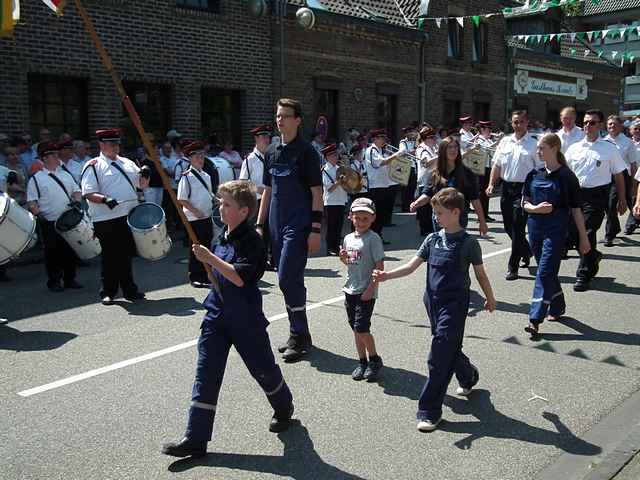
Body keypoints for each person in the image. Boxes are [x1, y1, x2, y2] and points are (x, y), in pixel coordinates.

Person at [161, 180, 294, 458]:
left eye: (226, 204)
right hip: (216, 314)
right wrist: (208, 264)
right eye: (220, 203)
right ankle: (196, 438)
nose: (220, 208)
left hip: (245, 318)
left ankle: (284, 405)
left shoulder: (253, 241)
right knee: (206, 374)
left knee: (263, 370)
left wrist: (210, 258)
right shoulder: (222, 235)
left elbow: (239, 277)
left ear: (244, 211)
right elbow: (218, 275)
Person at [373, 188, 496, 432]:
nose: (436, 217)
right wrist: (387, 276)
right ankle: (468, 375)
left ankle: (429, 411)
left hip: (455, 304)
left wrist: (490, 298)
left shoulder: (468, 243)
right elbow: (411, 267)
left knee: (438, 354)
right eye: (434, 212)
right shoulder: (432, 239)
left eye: (440, 213)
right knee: (448, 346)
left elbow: (480, 274)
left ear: (455, 213)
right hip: (433, 301)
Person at [256, 98, 323, 362]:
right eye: (277, 116)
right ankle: (300, 334)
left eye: (285, 116)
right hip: (275, 223)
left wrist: (315, 229)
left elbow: (317, 194)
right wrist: (260, 225)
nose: (279, 120)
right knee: (290, 280)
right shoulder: (271, 151)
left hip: (298, 224)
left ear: (297, 120)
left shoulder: (306, 152)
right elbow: (267, 191)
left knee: (286, 278)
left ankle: (299, 333)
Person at [522, 133, 590, 338]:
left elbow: (576, 209)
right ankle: (558, 304)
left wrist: (583, 238)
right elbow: (524, 202)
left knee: (543, 272)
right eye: (538, 148)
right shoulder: (534, 174)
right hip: (534, 228)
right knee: (548, 271)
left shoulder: (567, 177)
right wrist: (535, 209)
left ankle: (534, 320)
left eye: (542, 148)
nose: (538, 151)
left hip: (556, 229)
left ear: (554, 149)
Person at [81, 128, 151, 305]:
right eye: (112, 144)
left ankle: (129, 289)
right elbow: (88, 193)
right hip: (106, 218)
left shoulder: (127, 162)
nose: (116, 147)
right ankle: (108, 291)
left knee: (126, 254)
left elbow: (141, 186)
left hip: (128, 215)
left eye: (117, 144)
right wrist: (105, 199)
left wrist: (146, 175)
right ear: (102, 145)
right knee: (110, 256)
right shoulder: (94, 165)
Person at [565, 110, 627, 292]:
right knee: (574, 234)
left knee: (588, 231)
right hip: (575, 195)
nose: (587, 126)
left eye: (592, 123)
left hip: (597, 196)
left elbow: (619, 175)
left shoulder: (609, 149)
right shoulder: (574, 148)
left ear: (600, 125)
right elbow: (565, 174)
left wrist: (622, 198)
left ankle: (583, 274)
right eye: (585, 122)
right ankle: (593, 256)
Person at [486, 110, 541, 281]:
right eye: (516, 122)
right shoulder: (505, 142)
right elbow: (496, 165)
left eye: (522, 122)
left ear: (527, 123)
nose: (518, 125)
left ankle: (513, 266)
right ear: (512, 123)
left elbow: (539, 170)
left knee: (517, 227)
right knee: (508, 227)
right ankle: (526, 250)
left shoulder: (533, 145)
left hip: (524, 190)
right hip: (507, 188)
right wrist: (491, 184)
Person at [27, 142, 83, 292]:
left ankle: (70, 279)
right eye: (52, 154)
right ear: (44, 158)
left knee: (70, 250)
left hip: (68, 219)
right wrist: (38, 214)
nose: (56, 156)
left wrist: (77, 202)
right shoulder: (36, 179)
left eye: (56, 154)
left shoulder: (65, 174)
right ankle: (54, 281)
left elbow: (77, 191)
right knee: (52, 253)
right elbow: (32, 201)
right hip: (49, 221)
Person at [339, 197, 385, 381]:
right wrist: (343, 258)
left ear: (373, 218)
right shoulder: (348, 238)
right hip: (350, 289)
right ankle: (362, 361)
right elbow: (350, 263)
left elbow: (379, 267)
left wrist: (371, 289)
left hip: (366, 292)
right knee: (356, 329)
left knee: (362, 328)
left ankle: (374, 359)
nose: (361, 222)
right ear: (351, 217)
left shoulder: (373, 239)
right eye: (357, 218)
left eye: (365, 218)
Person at [410, 137, 488, 236]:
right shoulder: (435, 173)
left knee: (455, 249)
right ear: (443, 151)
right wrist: (416, 203)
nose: (453, 150)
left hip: (458, 218)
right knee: (442, 248)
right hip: (439, 218)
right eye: (449, 147)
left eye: (455, 147)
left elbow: (475, 199)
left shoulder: (466, 173)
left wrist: (482, 222)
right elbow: (427, 194)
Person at [177, 141, 214, 288]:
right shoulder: (186, 176)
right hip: (194, 218)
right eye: (197, 156)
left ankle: (206, 274)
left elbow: (208, 193)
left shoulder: (206, 175)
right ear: (190, 159)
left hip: (207, 215)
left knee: (207, 246)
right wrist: (195, 211)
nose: (201, 158)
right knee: (196, 248)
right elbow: (181, 199)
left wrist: (217, 199)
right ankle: (195, 276)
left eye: (202, 155)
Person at [603, 115, 638, 246]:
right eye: (610, 124)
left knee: (628, 202)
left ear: (621, 126)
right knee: (608, 205)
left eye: (614, 124)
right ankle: (613, 229)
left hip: (623, 176)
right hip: (607, 176)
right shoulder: (603, 141)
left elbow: (633, 164)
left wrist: (634, 183)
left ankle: (609, 235)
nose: (612, 126)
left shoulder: (627, 142)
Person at [365, 129, 393, 242]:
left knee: (382, 214)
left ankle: (378, 236)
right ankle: (374, 237)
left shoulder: (381, 150)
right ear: (375, 139)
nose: (383, 140)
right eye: (381, 138)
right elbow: (380, 162)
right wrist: (396, 155)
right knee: (376, 214)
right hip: (376, 186)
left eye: (384, 138)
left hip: (384, 184)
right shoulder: (372, 150)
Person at [321, 143, 348, 255]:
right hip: (330, 202)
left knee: (339, 226)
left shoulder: (340, 168)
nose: (335, 157)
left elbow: (347, 184)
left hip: (341, 200)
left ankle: (337, 247)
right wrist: (339, 182)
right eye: (333, 156)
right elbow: (330, 188)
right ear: (327, 157)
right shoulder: (325, 170)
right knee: (331, 226)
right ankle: (330, 249)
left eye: (336, 155)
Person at [415, 126, 439, 236]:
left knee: (431, 207)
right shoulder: (422, 149)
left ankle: (430, 228)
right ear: (427, 138)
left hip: (433, 180)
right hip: (424, 181)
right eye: (433, 138)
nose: (435, 140)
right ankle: (425, 230)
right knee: (424, 209)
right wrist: (439, 156)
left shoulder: (432, 148)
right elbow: (426, 163)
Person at [239, 124, 271, 201]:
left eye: (268, 137)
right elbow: (242, 183)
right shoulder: (250, 159)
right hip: (256, 200)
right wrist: (257, 189)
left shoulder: (270, 157)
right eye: (264, 137)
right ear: (256, 138)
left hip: (270, 199)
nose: (267, 140)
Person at [475, 121, 497, 222]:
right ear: (482, 130)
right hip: (481, 168)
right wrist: (498, 140)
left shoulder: (487, 140)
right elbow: (487, 149)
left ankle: (485, 214)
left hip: (488, 168)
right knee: (481, 193)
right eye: (488, 130)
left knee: (486, 192)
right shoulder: (479, 139)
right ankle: (481, 215)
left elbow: (493, 152)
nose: (490, 132)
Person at [399, 125, 418, 212]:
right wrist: (413, 152)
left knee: (412, 187)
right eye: (408, 132)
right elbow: (402, 153)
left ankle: (410, 205)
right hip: (405, 166)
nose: (411, 133)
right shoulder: (403, 142)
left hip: (414, 166)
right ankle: (405, 206)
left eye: (412, 131)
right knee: (405, 188)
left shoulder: (416, 142)